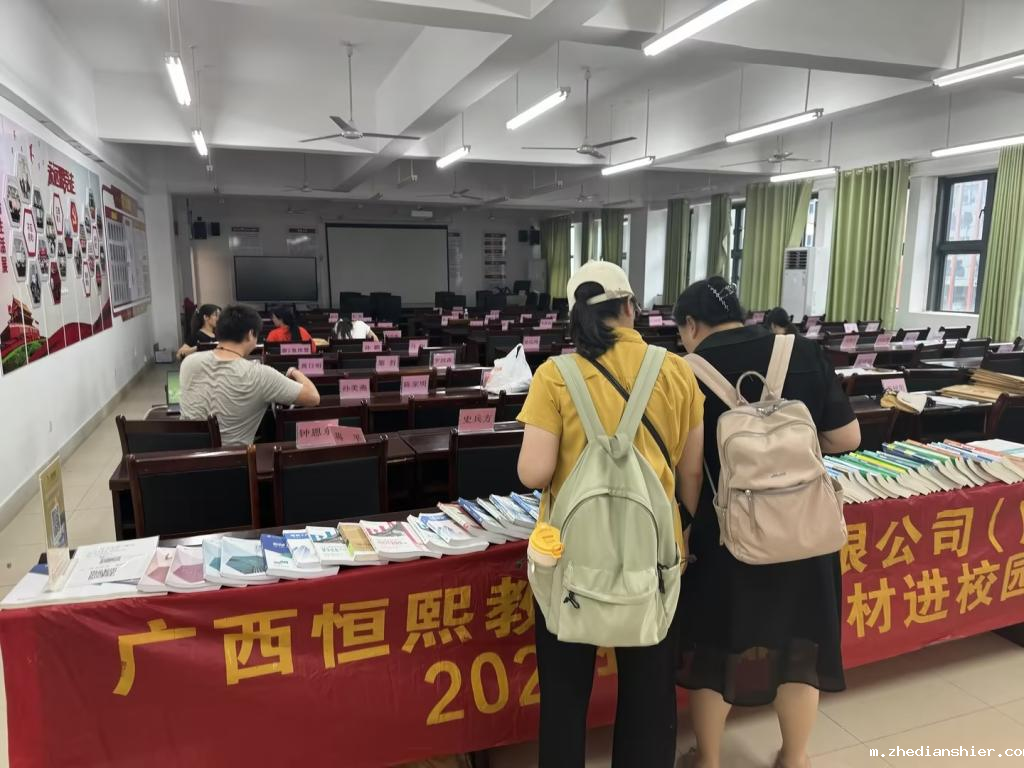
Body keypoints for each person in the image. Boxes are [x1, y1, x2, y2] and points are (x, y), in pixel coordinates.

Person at [516, 261, 705, 768]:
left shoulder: (555, 375)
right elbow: (690, 472)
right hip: (654, 554)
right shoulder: (677, 370)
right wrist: (684, 530)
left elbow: (533, 473)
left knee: (564, 692)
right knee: (649, 690)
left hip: (569, 559)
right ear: (630, 308)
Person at [672, 277, 861, 768]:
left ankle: (709, 759)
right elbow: (847, 438)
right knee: (801, 646)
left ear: (690, 324)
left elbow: (690, 470)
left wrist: (685, 530)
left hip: (724, 536)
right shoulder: (802, 350)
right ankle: (794, 757)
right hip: (805, 529)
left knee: (714, 649)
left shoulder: (684, 371)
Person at [180, 304, 320, 445]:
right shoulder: (261, 374)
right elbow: (313, 397)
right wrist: (294, 371)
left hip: (187, 456)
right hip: (236, 458)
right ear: (251, 334)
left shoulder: (188, 363)